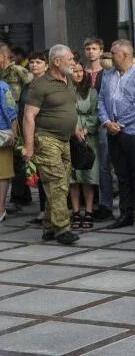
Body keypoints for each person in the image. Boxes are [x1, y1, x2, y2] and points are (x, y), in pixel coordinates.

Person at [23, 44, 79, 244]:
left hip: (65, 140)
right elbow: (29, 116)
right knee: (56, 184)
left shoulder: (68, 79)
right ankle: (62, 229)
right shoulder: (40, 85)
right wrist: (29, 147)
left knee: (60, 184)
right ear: (57, 61)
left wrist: (75, 128)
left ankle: (48, 226)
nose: (73, 62)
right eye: (70, 59)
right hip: (46, 140)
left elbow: (68, 108)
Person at [98, 39, 135, 231]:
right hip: (113, 132)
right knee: (122, 175)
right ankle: (126, 214)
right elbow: (100, 100)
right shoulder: (107, 74)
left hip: (134, 131)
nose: (108, 56)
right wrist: (107, 122)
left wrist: (120, 124)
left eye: (113, 53)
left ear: (125, 55)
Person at [83, 37, 116, 223]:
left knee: (104, 165)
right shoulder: (80, 72)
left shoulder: (108, 73)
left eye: (94, 48)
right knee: (87, 163)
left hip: (103, 123)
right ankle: (89, 204)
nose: (90, 52)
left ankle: (105, 204)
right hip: (84, 125)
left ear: (101, 50)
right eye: (87, 48)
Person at [17, 52, 48, 224]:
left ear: (46, 65)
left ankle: (50, 210)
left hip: (44, 133)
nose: (34, 65)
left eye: (38, 62)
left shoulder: (49, 84)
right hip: (28, 133)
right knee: (35, 172)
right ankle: (43, 209)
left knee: (47, 173)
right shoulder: (28, 86)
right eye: (32, 62)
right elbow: (22, 111)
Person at [1, 42, 32, 211]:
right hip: (5, 118)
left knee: (19, 155)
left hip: (18, 117)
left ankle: (20, 196)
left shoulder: (18, 70)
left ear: (5, 56)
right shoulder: (1, 74)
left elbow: (31, 88)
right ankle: (19, 194)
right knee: (11, 159)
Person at [68, 66, 99, 229]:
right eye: (75, 71)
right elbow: (64, 112)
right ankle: (75, 211)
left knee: (87, 176)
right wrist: (74, 130)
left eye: (80, 71)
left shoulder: (92, 92)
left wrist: (85, 130)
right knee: (73, 178)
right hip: (70, 136)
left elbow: (96, 113)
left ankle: (88, 210)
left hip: (88, 138)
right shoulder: (65, 90)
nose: (78, 74)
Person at [0, 78, 18, 222]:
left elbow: (11, 111)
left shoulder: (3, 87)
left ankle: (1, 208)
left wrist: (13, 132)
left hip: (2, 134)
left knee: (2, 173)